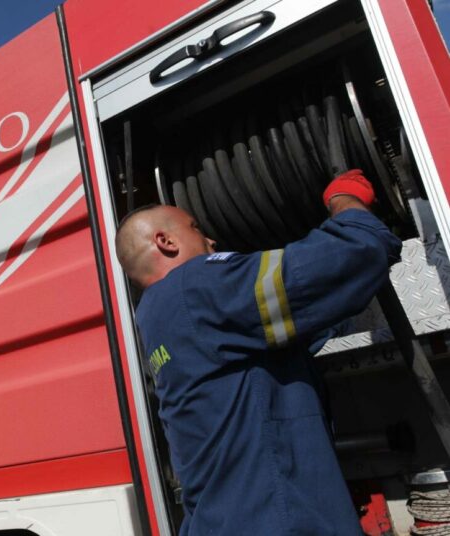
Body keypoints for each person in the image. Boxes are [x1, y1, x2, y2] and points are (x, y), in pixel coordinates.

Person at [115, 170, 402, 535]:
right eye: (196, 228)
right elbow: (354, 254)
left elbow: (286, 336)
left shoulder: (156, 318)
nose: (211, 239)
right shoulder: (198, 285)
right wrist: (345, 200)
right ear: (165, 241)